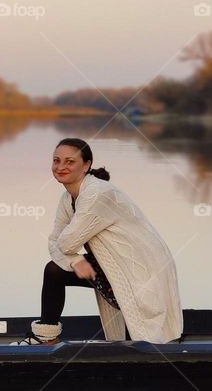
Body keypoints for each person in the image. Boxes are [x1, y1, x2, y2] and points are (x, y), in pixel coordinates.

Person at [13, 138, 183, 345]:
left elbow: (66, 243)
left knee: (141, 340)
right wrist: (75, 261)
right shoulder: (67, 198)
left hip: (141, 267)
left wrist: (73, 257)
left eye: (69, 161)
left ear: (86, 165)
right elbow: (54, 242)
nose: (61, 167)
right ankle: (46, 336)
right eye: (56, 161)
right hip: (110, 265)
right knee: (54, 271)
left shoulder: (97, 194)